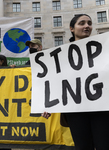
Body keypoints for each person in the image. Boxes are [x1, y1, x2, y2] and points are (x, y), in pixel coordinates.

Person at [42, 14, 109, 150]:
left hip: (101, 108)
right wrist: (49, 104)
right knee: (82, 147)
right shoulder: (61, 54)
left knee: (104, 146)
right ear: (72, 28)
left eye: (89, 23)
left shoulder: (104, 49)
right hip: (76, 110)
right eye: (82, 23)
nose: (87, 26)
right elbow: (56, 80)